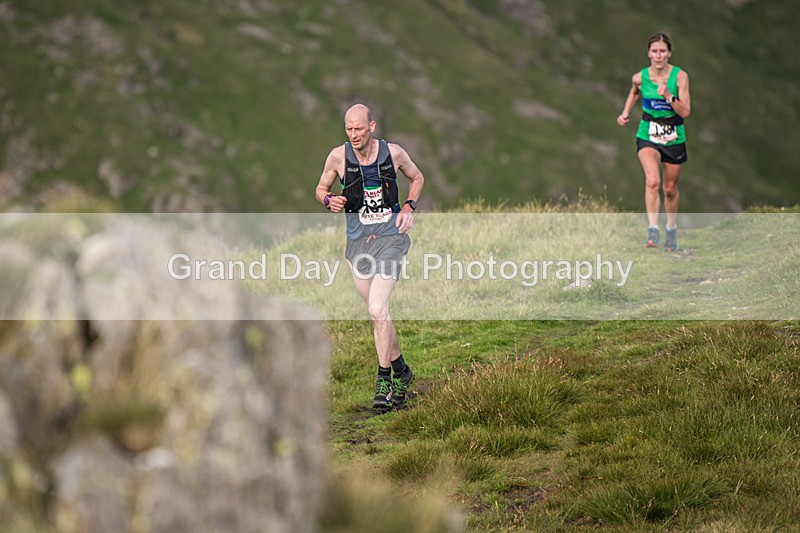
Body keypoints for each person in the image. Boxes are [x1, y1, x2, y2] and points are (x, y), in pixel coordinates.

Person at [315, 103, 425, 409]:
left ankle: (384, 381)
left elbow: (417, 178)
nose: (353, 135)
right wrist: (328, 200)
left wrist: (408, 207)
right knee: (380, 315)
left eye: (358, 129)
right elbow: (320, 187)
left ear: (372, 127)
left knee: (378, 309)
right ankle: (403, 370)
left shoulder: (395, 153)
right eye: (348, 129)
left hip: (391, 239)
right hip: (358, 244)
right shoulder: (338, 157)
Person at [617, 32, 691, 252]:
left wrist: (669, 96)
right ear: (648, 53)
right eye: (654, 51)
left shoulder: (680, 77)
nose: (658, 55)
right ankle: (652, 230)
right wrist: (625, 112)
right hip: (647, 134)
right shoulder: (640, 77)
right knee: (652, 182)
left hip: (674, 136)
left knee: (670, 189)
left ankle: (670, 229)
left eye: (662, 51)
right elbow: (634, 92)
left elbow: (686, 111)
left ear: (669, 53)